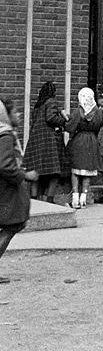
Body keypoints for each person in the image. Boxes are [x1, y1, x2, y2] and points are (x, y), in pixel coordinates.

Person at [0, 98, 37, 283]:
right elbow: (6, 166)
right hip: (8, 190)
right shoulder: (6, 135)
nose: (19, 115)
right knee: (12, 225)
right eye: (15, 112)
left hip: (5, 188)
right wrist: (24, 175)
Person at [22, 80, 69, 202]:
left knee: (36, 171)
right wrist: (63, 120)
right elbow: (51, 118)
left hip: (35, 140)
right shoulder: (51, 102)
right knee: (55, 172)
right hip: (48, 140)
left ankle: (33, 198)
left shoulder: (38, 105)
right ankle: (50, 199)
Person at [64, 87, 103, 209]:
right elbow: (99, 125)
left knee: (75, 170)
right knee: (87, 171)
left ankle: (75, 198)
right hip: (92, 140)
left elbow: (70, 127)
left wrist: (66, 119)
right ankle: (83, 198)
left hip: (79, 140)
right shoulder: (97, 111)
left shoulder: (78, 111)